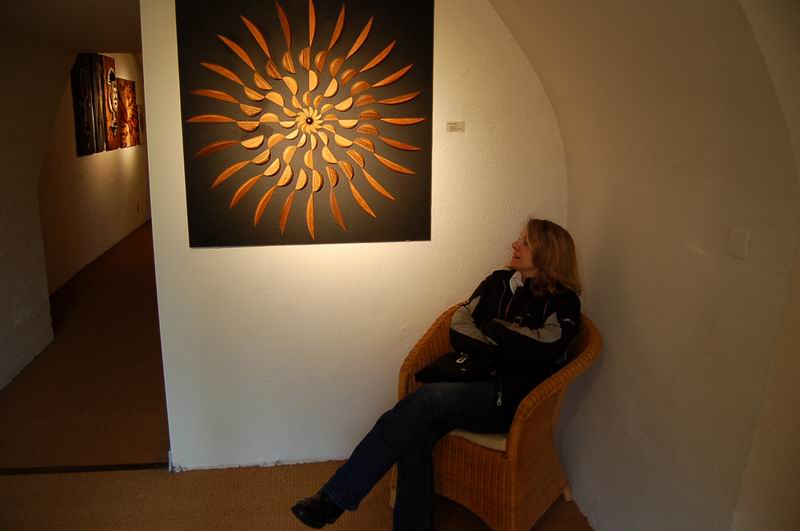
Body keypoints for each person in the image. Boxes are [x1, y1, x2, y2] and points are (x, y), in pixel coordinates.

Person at [291, 218, 582, 530]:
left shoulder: (564, 301)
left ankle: (333, 499)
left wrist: (492, 327)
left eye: (525, 241)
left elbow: (545, 348)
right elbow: (459, 325)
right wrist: (506, 344)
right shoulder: (498, 282)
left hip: (511, 399)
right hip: (470, 384)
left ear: (547, 252)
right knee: (414, 433)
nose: (514, 244)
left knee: (426, 400)